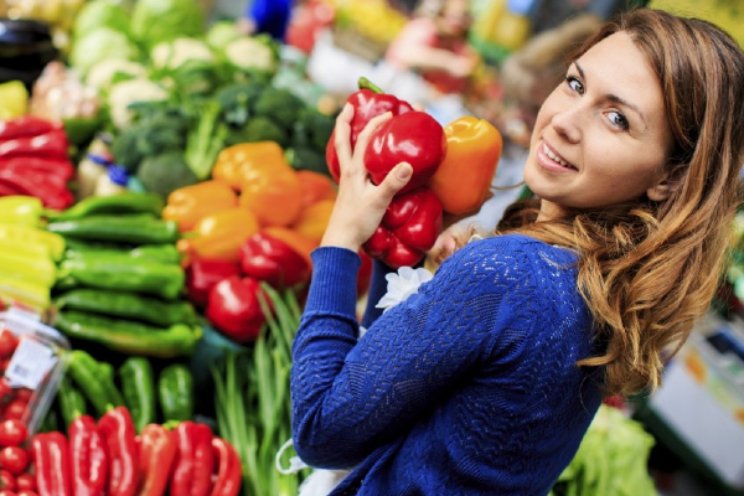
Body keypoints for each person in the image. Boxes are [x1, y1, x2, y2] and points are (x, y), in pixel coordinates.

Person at [289, 8, 744, 495]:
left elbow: (321, 431)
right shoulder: (600, 286)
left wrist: (340, 240)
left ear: (670, 177)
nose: (565, 121)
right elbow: (385, 401)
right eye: (574, 84)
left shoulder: (512, 273)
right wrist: (403, 249)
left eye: (616, 119)